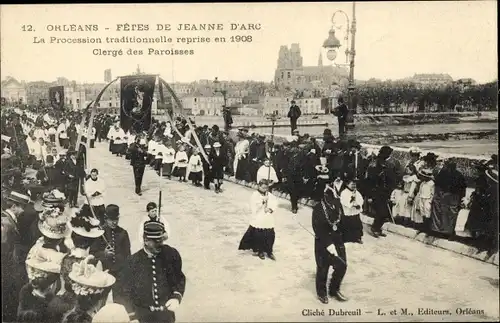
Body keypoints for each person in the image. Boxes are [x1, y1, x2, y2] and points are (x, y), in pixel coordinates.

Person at [121, 222, 186, 323]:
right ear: (146, 240)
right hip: (142, 318)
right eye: (156, 241)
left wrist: (176, 297)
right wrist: (132, 317)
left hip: (166, 316)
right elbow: (125, 292)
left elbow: (179, 278)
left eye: (161, 240)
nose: (160, 244)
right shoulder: (132, 262)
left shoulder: (171, 254)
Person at [311, 183, 348, 304]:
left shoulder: (337, 205)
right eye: (331, 196)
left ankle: (334, 289)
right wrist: (328, 244)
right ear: (325, 196)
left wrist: (342, 239)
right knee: (323, 268)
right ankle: (322, 293)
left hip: (337, 241)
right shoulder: (318, 209)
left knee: (342, 265)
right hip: (323, 243)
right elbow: (318, 229)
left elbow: (342, 222)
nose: (334, 199)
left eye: (335, 197)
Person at [90, 204, 131, 305]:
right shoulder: (100, 233)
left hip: (119, 274)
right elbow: (92, 253)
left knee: (120, 301)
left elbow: (128, 255)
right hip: (104, 271)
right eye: (111, 219)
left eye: (116, 219)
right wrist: (104, 254)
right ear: (105, 218)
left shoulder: (123, 233)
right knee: (100, 300)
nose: (114, 222)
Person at [1, 191, 31, 322]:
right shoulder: (6, 224)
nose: (22, 211)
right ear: (13, 206)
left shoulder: (8, 219)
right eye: (21, 207)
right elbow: (4, 249)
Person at [238, 179, 278, 260]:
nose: (265, 190)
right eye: (263, 188)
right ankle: (260, 251)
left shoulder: (268, 194)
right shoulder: (255, 195)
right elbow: (253, 208)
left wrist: (270, 209)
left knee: (270, 234)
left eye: (266, 188)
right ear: (259, 186)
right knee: (259, 235)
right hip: (259, 217)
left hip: (267, 217)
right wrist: (263, 202)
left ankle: (269, 251)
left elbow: (275, 202)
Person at [430, 159, 467, 239]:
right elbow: (463, 188)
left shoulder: (445, 173)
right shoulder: (457, 174)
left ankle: (443, 231)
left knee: (446, 214)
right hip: (450, 196)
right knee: (448, 214)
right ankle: (445, 232)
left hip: (449, 196)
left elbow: (438, 184)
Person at [339, 176, 364, 244]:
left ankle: (357, 238)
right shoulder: (344, 192)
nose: (354, 186)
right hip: (348, 211)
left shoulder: (356, 192)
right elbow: (343, 201)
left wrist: (359, 204)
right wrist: (351, 205)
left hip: (355, 212)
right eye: (352, 184)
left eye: (354, 184)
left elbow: (360, 199)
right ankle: (346, 239)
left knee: (357, 225)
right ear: (347, 185)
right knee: (347, 225)